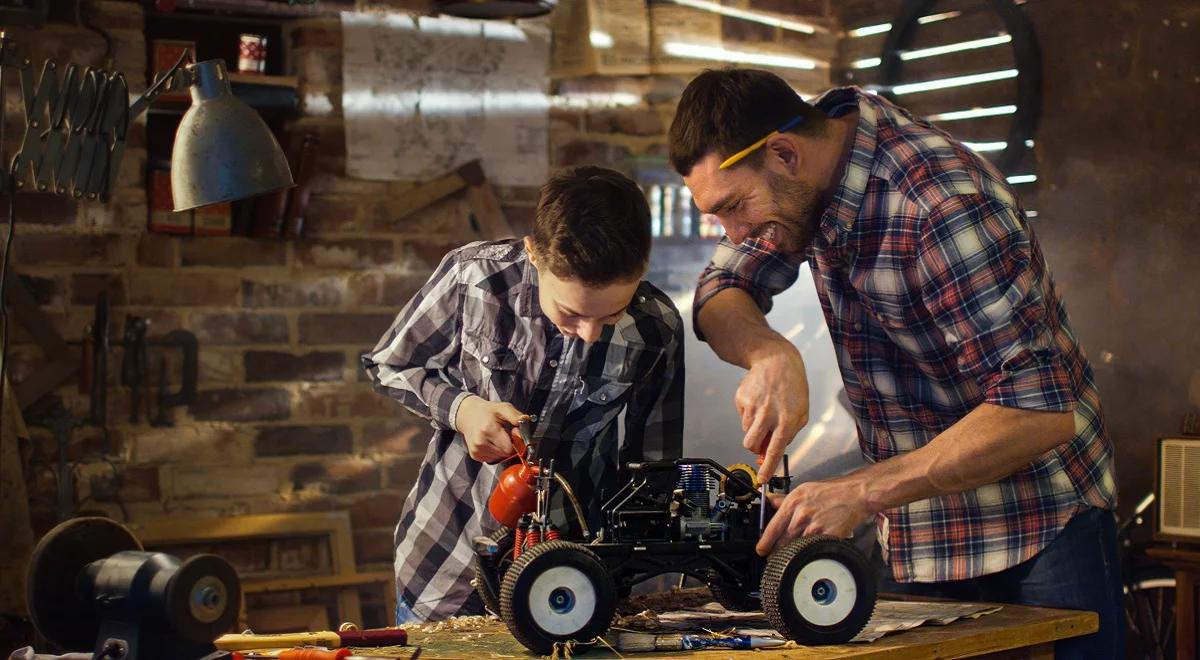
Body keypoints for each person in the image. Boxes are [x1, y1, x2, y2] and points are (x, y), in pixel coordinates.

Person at [668, 68, 1119, 658]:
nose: (734, 232)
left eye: (733, 208)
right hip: (917, 524)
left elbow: (1039, 411)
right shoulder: (797, 182)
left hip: (1036, 522)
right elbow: (722, 288)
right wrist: (770, 352)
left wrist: (859, 489)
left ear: (783, 153)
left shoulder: (942, 205)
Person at [362, 166, 685, 623]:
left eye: (611, 316)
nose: (590, 335)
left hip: (572, 576)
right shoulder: (472, 277)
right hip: (446, 562)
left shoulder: (658, 327)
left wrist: (631, 574)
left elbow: (651, 468)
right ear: (534, 254)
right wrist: (462, 409)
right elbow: (389, 364)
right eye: (571, 314)